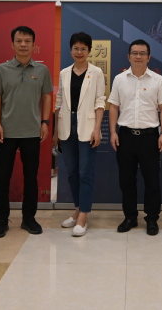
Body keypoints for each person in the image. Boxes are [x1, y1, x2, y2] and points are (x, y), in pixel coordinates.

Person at [0, 26, 53, 238]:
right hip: (6, 132)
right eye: (19, 41)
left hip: (32, 132)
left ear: (34, 45)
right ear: (12, 44)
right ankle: (1, 220)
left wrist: (45, 122)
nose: (23, 44)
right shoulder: (2, 70)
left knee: (31, 177)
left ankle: (29, 218)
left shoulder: (42, 70)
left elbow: (47, 96)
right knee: (3, 177)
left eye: (27, 41)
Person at [109, 39, 162, 236]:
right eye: (134, 53)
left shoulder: (158, 80)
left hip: (149, 137)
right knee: (126, 180)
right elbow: (113, 107)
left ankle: (152, 219)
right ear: (128, 56)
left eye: (142, 53)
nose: (138, 56)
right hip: (125, 136)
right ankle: (130, 217)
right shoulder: (119, 79)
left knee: (152, 181)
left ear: (148, 57)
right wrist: (113, 132)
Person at [54, 32, 106, 237]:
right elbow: (59, 102)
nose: (79, 52)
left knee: (85, 173)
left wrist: (97, 129)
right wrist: (56, 131)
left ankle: (83, 216)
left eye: (83, 48)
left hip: (87, 127)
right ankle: (77, 210)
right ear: (70, 50)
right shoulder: (64, 73)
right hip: (67, 126)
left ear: (89, 51)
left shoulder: (96, 72)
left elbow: (100, 101)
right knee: (72, 173)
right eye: (76, 48)